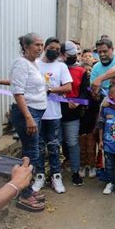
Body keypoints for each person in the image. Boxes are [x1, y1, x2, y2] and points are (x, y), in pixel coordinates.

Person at [10, 33, 47, 212]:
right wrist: (29, 117)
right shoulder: (21, 63)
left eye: (41, 45)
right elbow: (18, 92)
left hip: (35, 113)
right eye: (37, 45)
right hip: (29, 114)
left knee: (31, 151)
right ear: (26, 46)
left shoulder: (33, 64)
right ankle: (25, 195)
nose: (40, 48)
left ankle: (28, 189)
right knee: (31, 152)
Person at [35, 37, 73, 193]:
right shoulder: (35, 64)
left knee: (54, 147)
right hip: (36, 113)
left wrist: (50, 90)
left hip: (54, 115)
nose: (55, 51)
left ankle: (56, 177)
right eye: (52, 48)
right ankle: (39, 176)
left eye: (58, 49)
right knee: (38, 147)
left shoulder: (61, 66)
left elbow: (68, 87)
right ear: (44, 47)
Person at [60, 41, 89, 185]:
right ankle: (54, 173)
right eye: (69, 55)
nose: (73, 57)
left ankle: (75, 172)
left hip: (72, 114)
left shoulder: (81, 71)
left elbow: (84, 91)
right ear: (62, 55)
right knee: (55, 142)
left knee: (72, 142)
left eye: (75, 54)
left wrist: (78, 101)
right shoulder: (56, 68)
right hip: (54, 113)